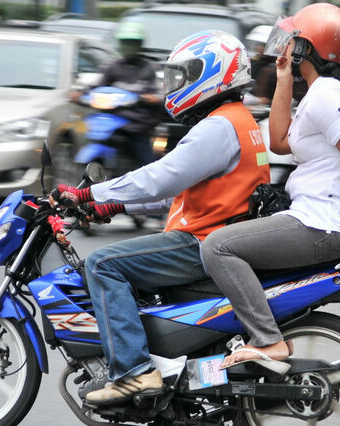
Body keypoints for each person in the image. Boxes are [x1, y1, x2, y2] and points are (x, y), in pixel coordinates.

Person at [52, 30, 270, 405]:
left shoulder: (218, 126)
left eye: (184, 74)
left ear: (214, 74)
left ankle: (135, 372)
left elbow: (160, 178)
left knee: (103, 264)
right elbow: (183, 193)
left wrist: (91, 194)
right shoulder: (238, 119)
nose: (175, 84)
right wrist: (116, 206)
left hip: (201, 243)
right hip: (215, 234)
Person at [200, 3, 340, 369]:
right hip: (313, 217)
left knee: (217, 248)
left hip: (322, 223)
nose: (285, 46)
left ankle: (268, 340)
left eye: (293, 41)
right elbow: (281, 142)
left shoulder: (328, 93)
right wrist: (284, 78)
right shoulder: (317, 93)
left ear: (307, 48)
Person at [80, 21, 163, 168]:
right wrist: (81, 94)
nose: (128, 47)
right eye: (125, 43)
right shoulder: (113, 66)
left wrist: (146, 98)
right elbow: (98, 85)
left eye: (132, 43)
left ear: (140, 45)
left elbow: (157, 93)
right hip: (111, 121)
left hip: (136, 125)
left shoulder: (148, 68)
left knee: (147, 165)